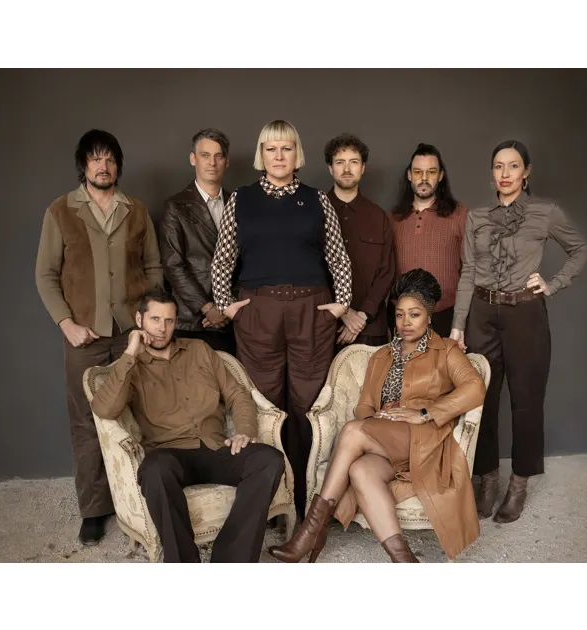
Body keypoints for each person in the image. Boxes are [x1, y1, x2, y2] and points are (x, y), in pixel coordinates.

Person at [268, 269, 485, 562]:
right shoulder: (381, 356)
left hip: (424, 440)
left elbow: (474, 388)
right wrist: (378, 418)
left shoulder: (445, 350)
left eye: (415, 315)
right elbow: (364, 408)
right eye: (400, 315)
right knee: (361, 470)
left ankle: (312, 530)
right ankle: (404, 561)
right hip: (385, 442)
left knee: (352, 431)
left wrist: (424, 413)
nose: (405, 323)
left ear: (429, 316)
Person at [210, 119, 354, 519]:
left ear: (297, 154)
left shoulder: (317, 199)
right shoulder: (241, 199)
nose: (278, 156)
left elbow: (338, 256)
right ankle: (272, 498)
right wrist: (226, 304)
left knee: (307, 404)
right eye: (270, 148)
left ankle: (307, 499)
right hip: (259, 311)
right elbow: (222, 259)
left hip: (311, 310)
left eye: (286, 148)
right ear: (261, 154)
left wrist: (342, 303)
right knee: (265, 403)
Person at [89, 287, 286, 563]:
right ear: (139, 320)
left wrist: (244, 431)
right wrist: (131, 353)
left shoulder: (200, 350)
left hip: (216, 447)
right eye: (155, 319)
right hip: (170, 455)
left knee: (269, 460)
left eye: (169, 321)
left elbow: (237, 394)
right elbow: (104, 409)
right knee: (154, 470)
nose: (162, 328)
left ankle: (231, 561)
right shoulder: (131, 366)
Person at [35, 129, 163, 546]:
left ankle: (144, 500)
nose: (103, 166)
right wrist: (66, 323)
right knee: (88, 422)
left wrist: (145, 318)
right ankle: (94, 510)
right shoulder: (61, 211)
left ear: (118, 165)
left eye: (109, 159)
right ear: (83, 165)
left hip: (130, 335)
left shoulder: (137, 210)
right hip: (84, 338)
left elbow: (154, 268)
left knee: (140, 416)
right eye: (95, 159)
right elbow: (45, 275)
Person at [451, 140, 587, 523]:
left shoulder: (546, 212)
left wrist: (552, 284)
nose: (505, 173)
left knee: (526, 401)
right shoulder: (477, 217)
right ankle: (488, 480)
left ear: (526, 172)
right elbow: (467, 271)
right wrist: (458, 324)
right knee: (481, 399)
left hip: (525, 314)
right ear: (491, 172)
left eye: (513, 166)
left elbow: (580, 250)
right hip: (482, 313)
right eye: (499, 166)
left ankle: (518, 485)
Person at [159, 128, 236, 355]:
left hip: (232, 320)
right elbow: (173, 265)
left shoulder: (238, 203)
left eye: (218, 156)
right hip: (192, 321)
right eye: (205, 155)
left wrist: (227, 307)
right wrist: (207, 307)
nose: (212, 162)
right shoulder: (175, 207)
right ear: (193, 159)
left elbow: (248, 261)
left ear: (226, 161)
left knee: (232, 378)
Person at [323, 133, 395, 347]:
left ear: (362, 168)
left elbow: (387, 271)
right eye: (340, 162)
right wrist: (343, 312)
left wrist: (363, 315)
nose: (347, 169)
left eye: (353, 162)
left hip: (370, 327)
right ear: (330, 168)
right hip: (325, 326)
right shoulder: (313, 212)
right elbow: (309, 270)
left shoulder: (378, 216)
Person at [389, 143, 468, 338]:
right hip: (402, 319)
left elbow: (472, 268)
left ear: (440, 176)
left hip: (446, 316)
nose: (424, 178)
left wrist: (460, 322)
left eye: (431, 172)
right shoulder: (393, 218)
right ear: (409, 175)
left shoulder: (460, 215)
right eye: (418, 172)